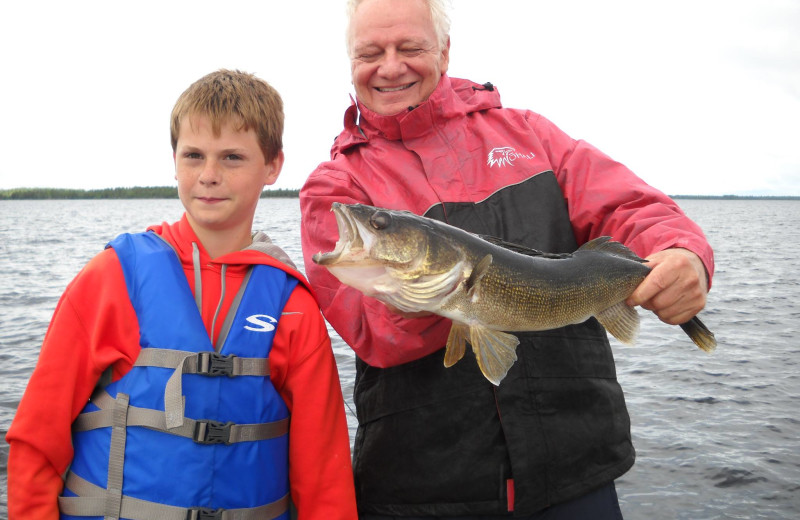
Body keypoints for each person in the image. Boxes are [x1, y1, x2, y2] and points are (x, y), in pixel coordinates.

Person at [300, 0, 714, 518]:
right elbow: (370, 331)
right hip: (425, 490)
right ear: (351, 61)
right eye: (370, 52)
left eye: (410, 47)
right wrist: (429, 294)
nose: (390, 66)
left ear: (444, 51)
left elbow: (632, 206)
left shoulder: (530, 136)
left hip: (576, 471)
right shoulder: (336, 187)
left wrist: (682, 253)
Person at [6, 69, 358, 520]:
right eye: (194, 155)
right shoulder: (114, 277)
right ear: (174, 161)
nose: (208, 176)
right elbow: (37, 439)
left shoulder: (293, 307)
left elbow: (324, 480)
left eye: (232, 157)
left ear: (273, 166)